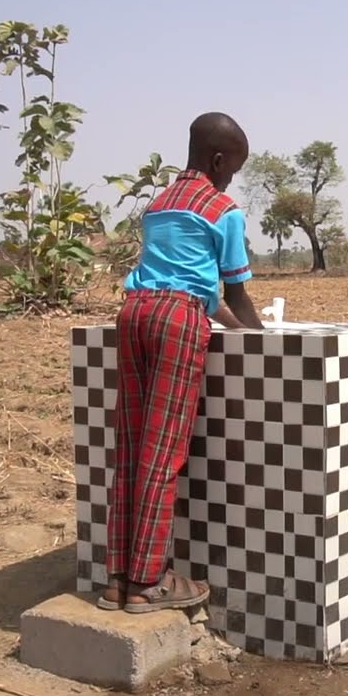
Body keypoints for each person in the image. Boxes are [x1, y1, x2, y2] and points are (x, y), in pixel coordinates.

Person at [98, 111, 265, 613]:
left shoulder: (158, 205)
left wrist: (235, 328)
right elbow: (232, 293)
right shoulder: (222, 209)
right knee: (163, 453)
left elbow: (192, 285)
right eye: (233, 168)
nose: (232, 178)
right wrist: (262, 338)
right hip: (177, 323)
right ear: (218, 161)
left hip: (134, 315)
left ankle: (116, 580)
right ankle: (150, 582)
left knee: (130, 448)